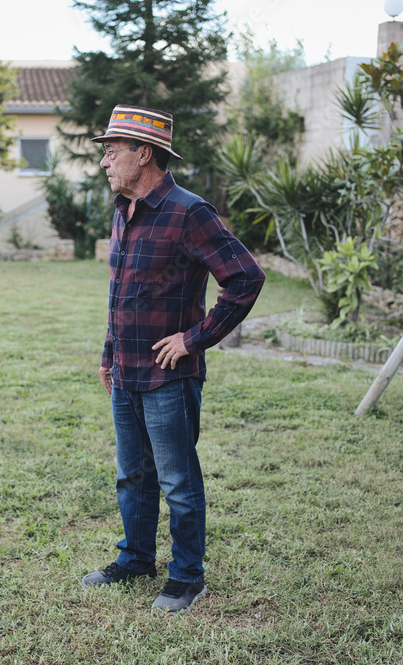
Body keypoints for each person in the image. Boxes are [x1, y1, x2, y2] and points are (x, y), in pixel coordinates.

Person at [81, 105, 266, 614]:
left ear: (144, 153)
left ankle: (187, 577)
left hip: (168, 376)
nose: (104, 162)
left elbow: (246, 277)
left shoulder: (190, 212)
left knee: (178, 483)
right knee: (132, 476)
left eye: (111, 152)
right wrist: (109, 352)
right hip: (126, 372)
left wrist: (194, 339)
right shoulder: (124, 209)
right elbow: (122, 293)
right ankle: (135, 560)